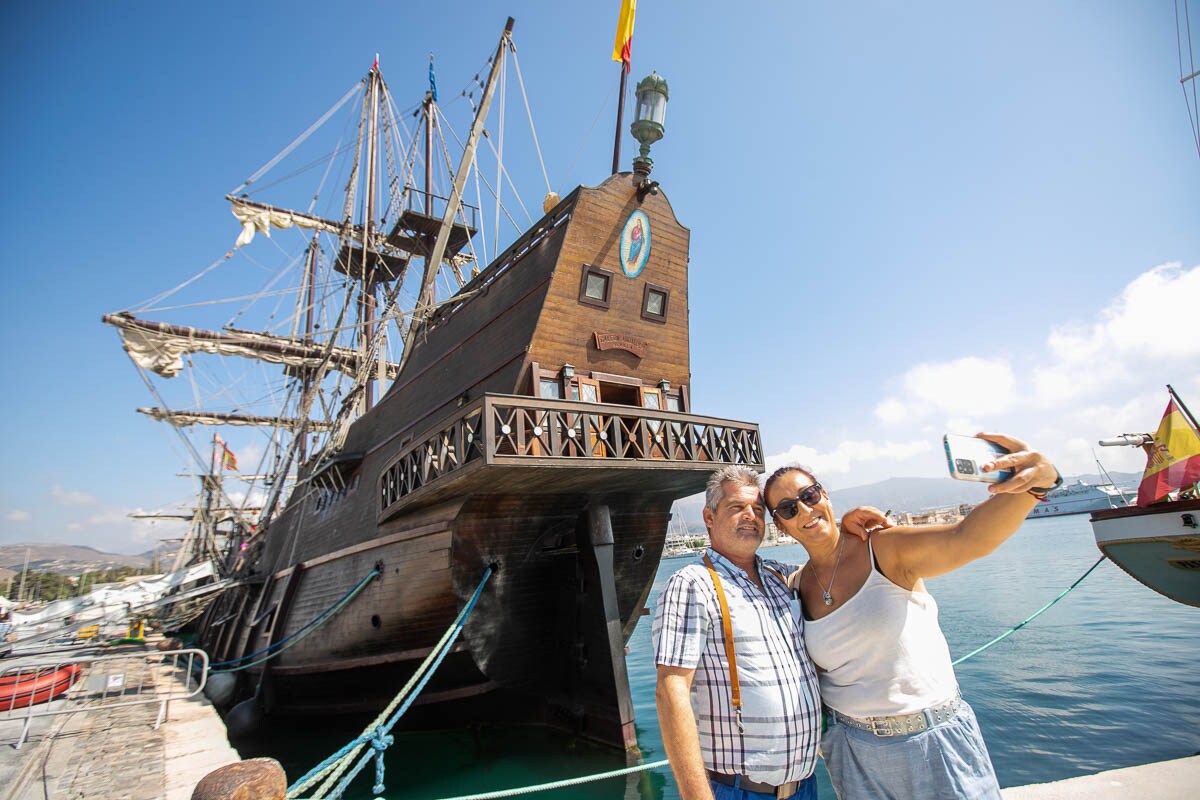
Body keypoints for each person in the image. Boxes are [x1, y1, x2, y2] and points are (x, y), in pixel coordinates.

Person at [762, 432, 1059, 800]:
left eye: (809, 495)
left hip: (933, 741)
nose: (805, 510)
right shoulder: (795, 585)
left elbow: (968, 539)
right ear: (780, 525)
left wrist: (1036, 485)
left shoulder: (884, 548)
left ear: (825, 495)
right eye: (789, 508)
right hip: (853, 752)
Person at [652, 465, 879, 800]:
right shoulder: (692, 584)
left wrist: (845, 530)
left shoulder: (783, 577)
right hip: (737, 790)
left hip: (804, 785)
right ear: (709, 517)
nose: (750, 516)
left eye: (758, 510)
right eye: (736, 508)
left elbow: (832, 567)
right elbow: (671, 691)